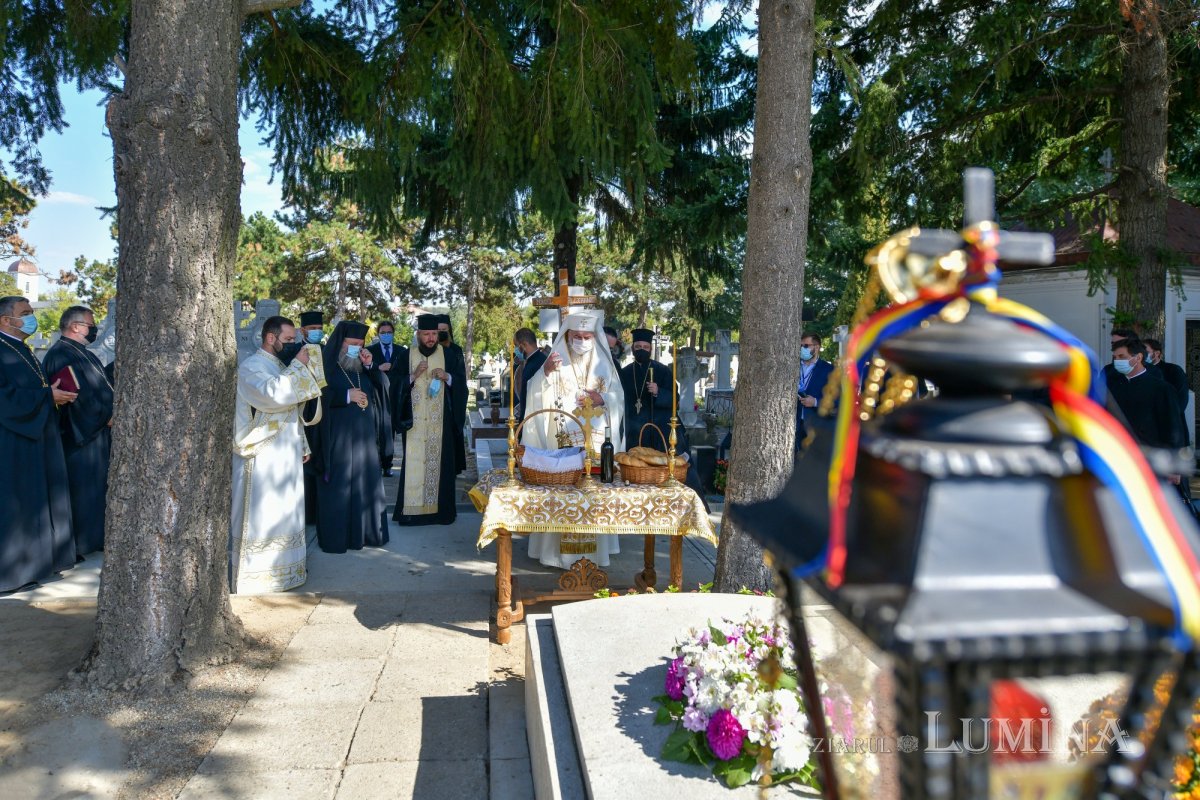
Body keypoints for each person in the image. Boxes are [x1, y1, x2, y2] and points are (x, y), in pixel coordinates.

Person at [522, 310, 626, 569]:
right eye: (576, 336)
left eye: (586, 336)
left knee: (595, 495)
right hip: (562, 447)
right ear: (567, 336)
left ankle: (595, 555)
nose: (581, 340)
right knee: (562, 493)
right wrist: (544, 374)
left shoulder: (605, 364)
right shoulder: (555, 360)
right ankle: (554, 555)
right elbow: (533, 391)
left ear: (594, 336)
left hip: (597, 447)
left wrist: (604, 399)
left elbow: (620, 399)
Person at [230, 316, 324, 593]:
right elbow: (272, 396)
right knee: (264, 515)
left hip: (285, 454)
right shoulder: (251, 367)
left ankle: (286, 571)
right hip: (260, 456)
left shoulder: (279, 366)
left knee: (286, 512)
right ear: (271, 338)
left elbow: (292, 411)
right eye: (289, 339)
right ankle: (256, 576)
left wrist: (302, 445)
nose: (293, 344)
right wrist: (299, 367)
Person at [0, 296, 75, 592]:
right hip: (12, 441)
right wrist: (47, 398)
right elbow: (4, 398)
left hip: (36, 436)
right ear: (6, 320)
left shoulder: (22, 348)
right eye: (26, 314)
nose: (32, 318)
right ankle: (12, 574)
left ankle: (39, 564)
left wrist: (52, 392)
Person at [42, 305, 113, 558]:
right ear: (75, 326)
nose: (93, 329)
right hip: (80, 436)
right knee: (82, 489)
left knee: (96, 488)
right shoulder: (61, 354)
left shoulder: (82, 352)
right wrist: (106, 416)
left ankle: (95, 539)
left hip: (96, 435)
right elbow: (73, 397)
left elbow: (99, 385)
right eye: (90, 325)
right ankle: (81, 544)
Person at [316, 321, 390, 553]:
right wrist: (345, 396)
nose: (357, 349)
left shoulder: (362, 366)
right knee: (340, 487)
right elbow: (316, 398)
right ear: (340, 343)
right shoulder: (327, 366)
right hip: (338, 438)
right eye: (352, 344)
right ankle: (338, 538)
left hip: (365, 439)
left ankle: (367, 534)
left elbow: (383, 387)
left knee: (364, 484)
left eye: (360, 345)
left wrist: (370, 366)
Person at [392, 315, 464, 525]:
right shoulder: (407, 356)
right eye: (426, 334)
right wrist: (413, 376)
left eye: (434, 334)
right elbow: (394, 384)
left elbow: (462, 384)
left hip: (440, 424)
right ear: (418, 335)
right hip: (414, 425)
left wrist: (448, 377)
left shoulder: (449, 355)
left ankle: (441, 514)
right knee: (414, 464)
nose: (431, 338)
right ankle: (412, 513)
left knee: (442, 467)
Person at [619, 328, 705, 502]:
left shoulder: (662, 371)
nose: (642, 349)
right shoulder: (625, 372)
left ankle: (685, 504)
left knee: (673, 467)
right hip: (634, 430)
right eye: (638, 346)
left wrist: (659, 392)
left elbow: (675, 397)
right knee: (635, 471)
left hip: (661, 429)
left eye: (645, 346)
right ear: (633, 348)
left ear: (650, 349)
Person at [1108, 336, 1188, 486]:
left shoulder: (1161, 389)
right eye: (1115, 357)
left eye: (1121, 357)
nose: (1117, 361)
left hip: (1153, 460)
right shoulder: (1113, 387)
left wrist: (1173, 466)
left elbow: (1173, 428)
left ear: (1138, 357)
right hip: (1120, 458)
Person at [367, 321, 405, 477]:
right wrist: (378, 367)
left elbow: (405, 371)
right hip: (378, 396)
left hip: (397, 395)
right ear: (378, 334)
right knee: (382, 430)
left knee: (394, 429)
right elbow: (366, 370)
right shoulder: (370, 350)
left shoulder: (401, 351)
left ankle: (390, 463)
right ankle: (384, 464)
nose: (386, 335)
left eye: (389, 332)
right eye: (383, 332)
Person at [298, 310, 325, 525]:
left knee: (321, 460)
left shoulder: (328, 351)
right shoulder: (294, 351)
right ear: (302, 330)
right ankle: (306, 513)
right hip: (303, 414)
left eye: (319, 329)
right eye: (312, 329)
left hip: (324, 415)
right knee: (305, 462)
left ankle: (319, 511)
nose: (316, 332)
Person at [435, 314, 469, 475]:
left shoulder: (455, 351)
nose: (441, 333)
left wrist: (448, 377)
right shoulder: (429, 350)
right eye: (438, 330)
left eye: (444, 330)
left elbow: (461, 378)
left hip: (450, 399)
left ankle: (452, 468)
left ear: (449, 331)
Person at [796, 332, 834, 449]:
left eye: (806, 346)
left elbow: (837, 400)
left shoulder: (829, 370)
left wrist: (816, 402)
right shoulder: (792, 366)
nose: (802, 349)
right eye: (800, 346)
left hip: (815, 426)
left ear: (816, 347)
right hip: (793, 425)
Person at [514, 327, 546, 422]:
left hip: (533, 418)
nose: (516, 350)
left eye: (516, 346)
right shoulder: (532, 361)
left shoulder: (538, 363)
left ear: (523, 345)